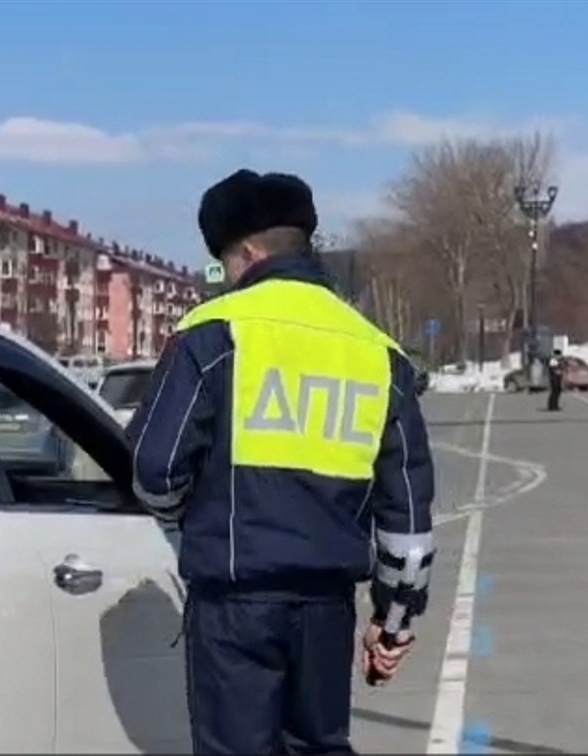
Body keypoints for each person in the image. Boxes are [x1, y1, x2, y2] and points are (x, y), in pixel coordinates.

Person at [127, 169, 436, 754]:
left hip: (236, 605)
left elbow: (154, 468)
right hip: (327, 608)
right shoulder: (377, 352)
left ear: (246, 252)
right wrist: (393, 621)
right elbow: (409, 520)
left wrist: (186, 521)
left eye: (222, 264)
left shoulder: (214, 333)